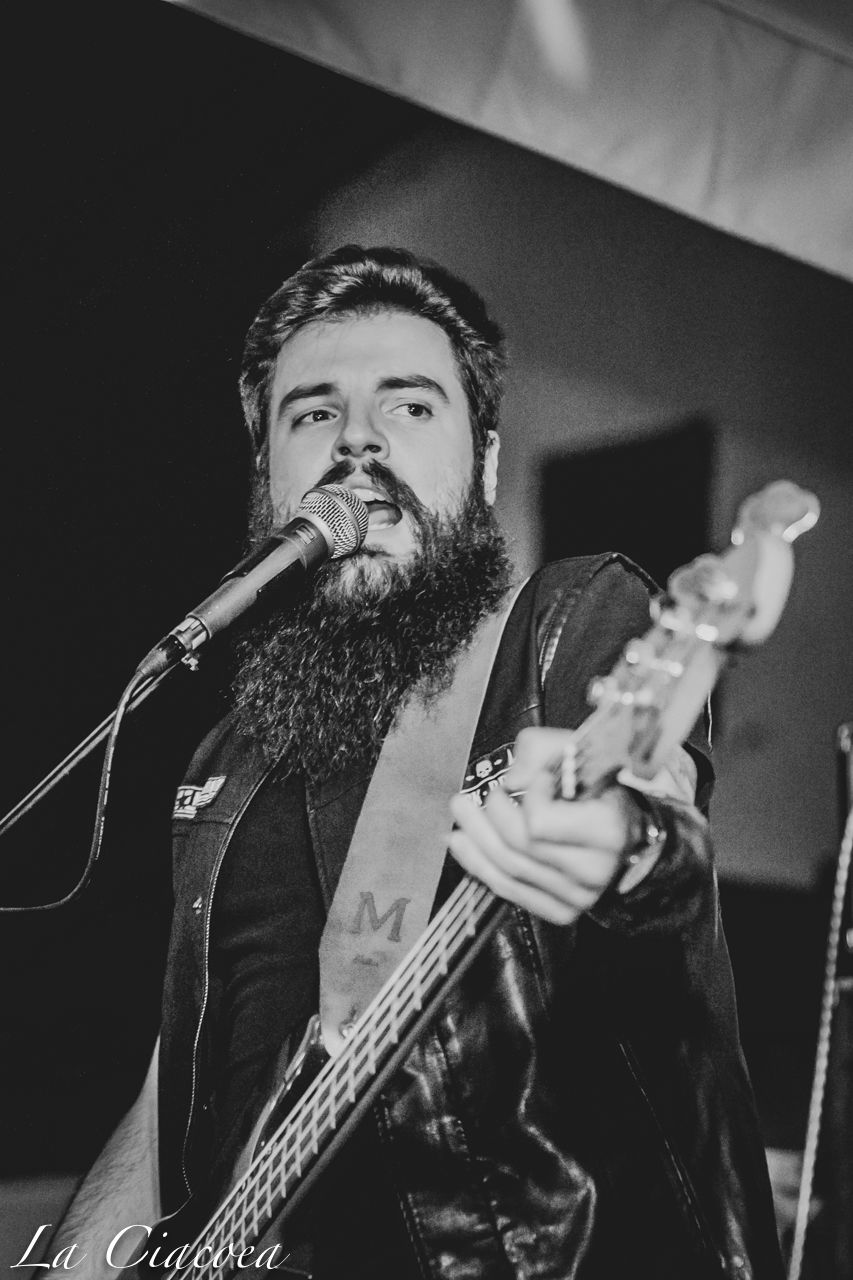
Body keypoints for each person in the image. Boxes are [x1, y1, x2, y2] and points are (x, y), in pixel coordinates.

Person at [45, 246, 783, 1279]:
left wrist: (622, 843)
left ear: (483, 463)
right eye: (313, 413)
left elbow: (654, 824)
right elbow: (172, 1094)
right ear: (269, 478)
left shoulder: (564, 623)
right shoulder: (226, 758)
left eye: (409, 405)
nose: (357, 438)